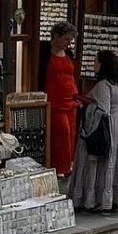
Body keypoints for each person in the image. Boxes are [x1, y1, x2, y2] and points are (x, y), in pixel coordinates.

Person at [68, 50, 118, 214]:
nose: (93, 65)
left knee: (99, 161)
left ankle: (97, 200)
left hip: (105, 127)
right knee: (115, 159)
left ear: (103, 64)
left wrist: (85, 103)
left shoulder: (104, 85)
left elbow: (102, 109)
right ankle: (113, 197)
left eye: (96, 61)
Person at [42, 21, 83, 177]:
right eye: (66, 39)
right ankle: (58, 167)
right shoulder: (45, 53)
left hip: (70, 99)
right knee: (61, 133)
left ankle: (67, 166)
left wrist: (77, 96)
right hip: (55, 100)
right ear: (56, 36)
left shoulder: (69, 54)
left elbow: (72, 77)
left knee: (71, 133)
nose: (68, 43)